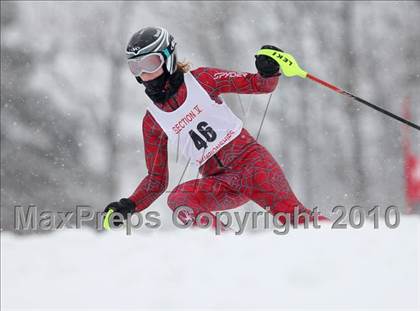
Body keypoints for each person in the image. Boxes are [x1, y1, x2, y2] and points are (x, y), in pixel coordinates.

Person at [104, 26, 328, 229]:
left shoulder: (203, 80)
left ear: (168, 58)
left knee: (295, 218)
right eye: (136, 67)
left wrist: (268, 71)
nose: (144, 75)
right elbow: (156, 181)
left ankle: (348, 239)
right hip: (220, 182)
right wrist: (129, 205)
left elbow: (259, 85)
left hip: (252, 165)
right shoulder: (153, 121)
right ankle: (227, 248)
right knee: (179, 200)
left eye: (150, 64)